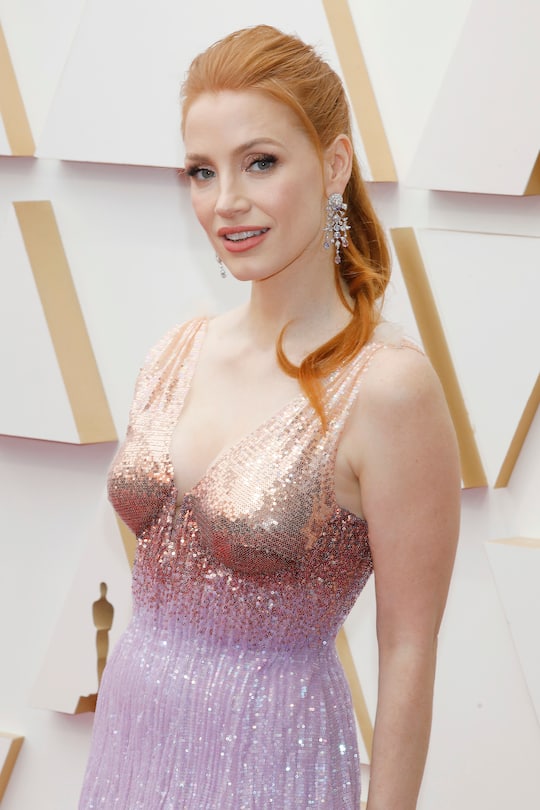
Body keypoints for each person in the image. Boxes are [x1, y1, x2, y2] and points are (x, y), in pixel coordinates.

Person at [79, 24, 460, 810]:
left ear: (334, 165)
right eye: (202, 170)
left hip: (269, 760)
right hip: (129, 742)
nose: (226, 201)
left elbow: (409, 648)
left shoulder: (389, 389)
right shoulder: (175, 352)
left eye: (260, 162)